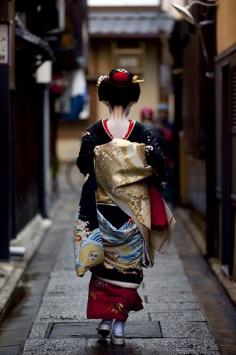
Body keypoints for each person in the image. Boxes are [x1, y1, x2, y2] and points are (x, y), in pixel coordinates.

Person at [73, 69, 172, 346]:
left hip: (102, 209)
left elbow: (83, 165)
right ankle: (118, 325)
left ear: (105, 99)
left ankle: (106, 320)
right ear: (133, 99)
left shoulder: (94, 131)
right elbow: (160, 168)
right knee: (128, 269)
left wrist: (94, 152)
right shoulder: (142, 133)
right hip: (133, 213)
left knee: (104, 267)